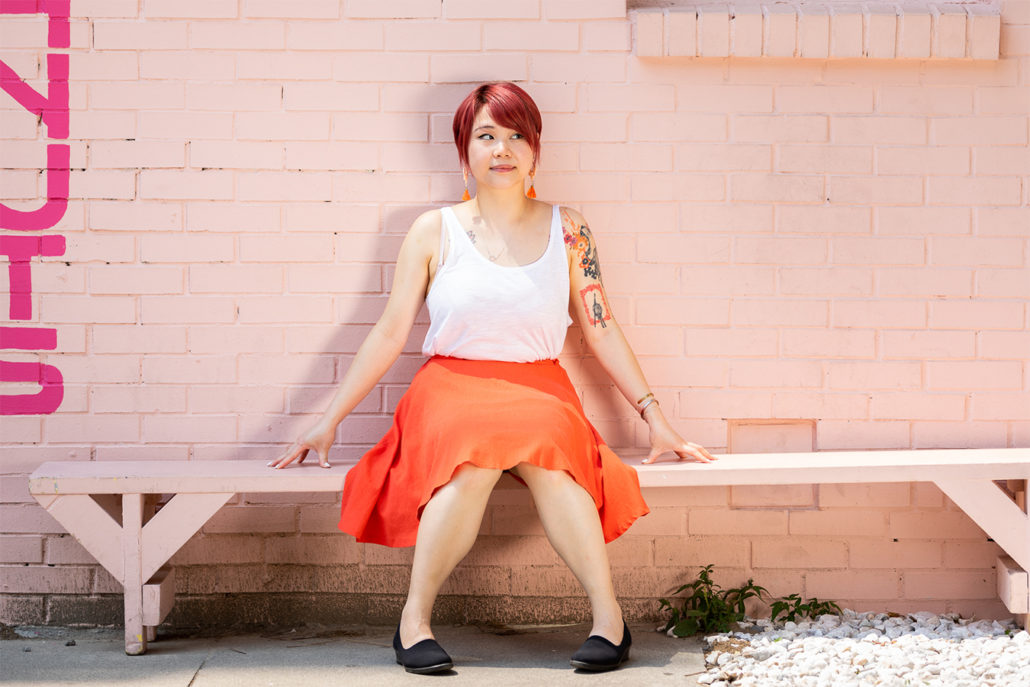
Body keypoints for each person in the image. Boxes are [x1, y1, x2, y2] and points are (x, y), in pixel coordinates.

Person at [269, 81, 716, 674]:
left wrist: (656, 419)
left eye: (515, 136)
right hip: (450, 388)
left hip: (539, 386)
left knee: (557, 468)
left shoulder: (569, 229)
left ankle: (609, 620)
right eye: (486, 136)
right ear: (465, 151)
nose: (501, 149)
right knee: (474, 461)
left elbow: (601, 327)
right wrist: (328, 421)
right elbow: (387, 331)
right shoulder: (434, 230)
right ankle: (414, 623)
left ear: (534, 151)